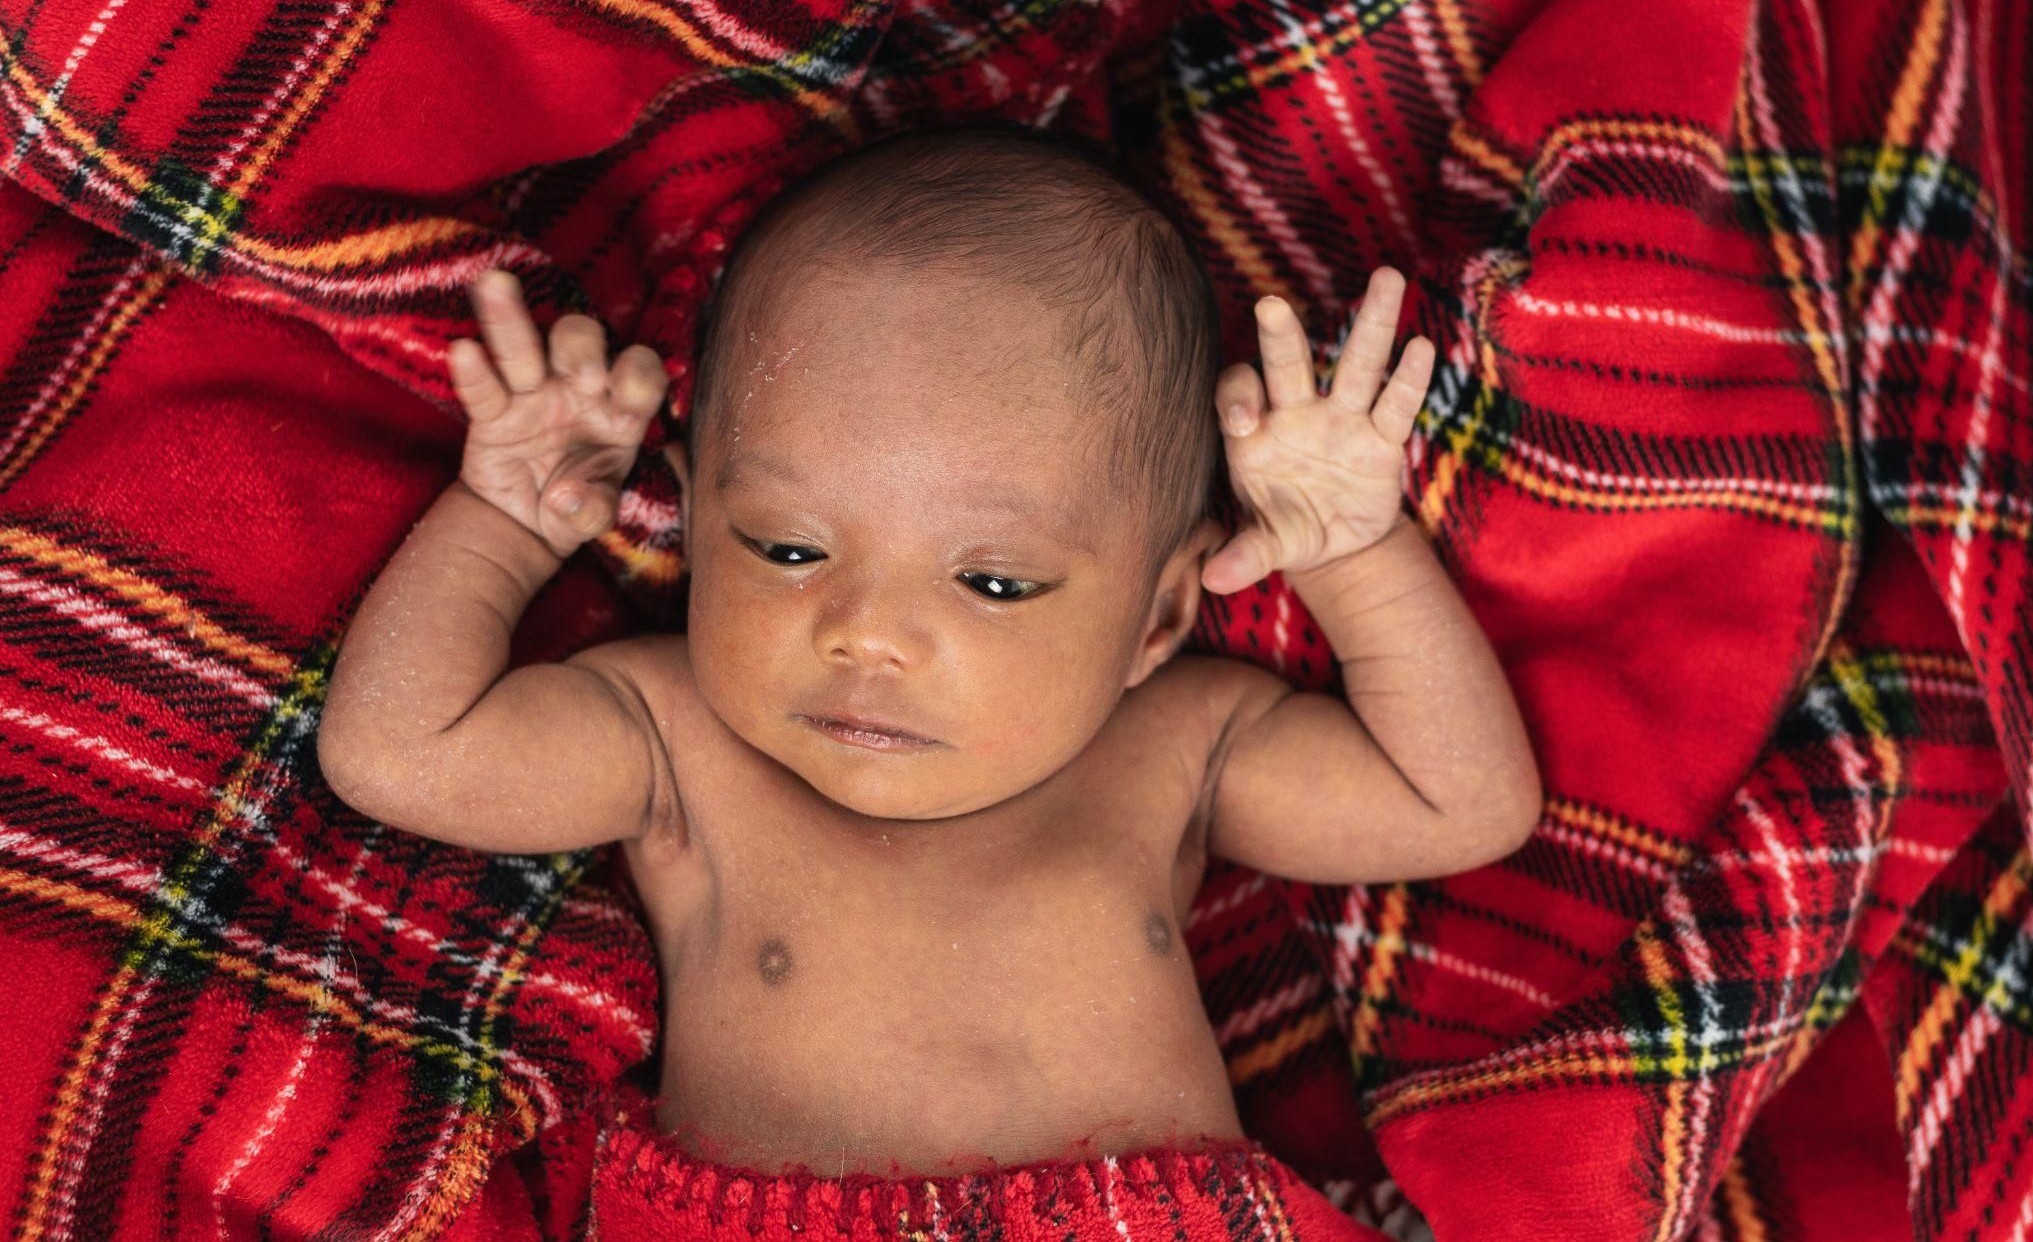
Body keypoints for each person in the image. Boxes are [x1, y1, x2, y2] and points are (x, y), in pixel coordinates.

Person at [317, 125, 1542, 1180]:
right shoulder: (672, 736)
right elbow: (399, 755)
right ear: (691, 523)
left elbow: (1458, 804)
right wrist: (508, 524)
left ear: (1158, 619)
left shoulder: (1173, 745)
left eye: (993, 580)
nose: (866, 632)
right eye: (787, 549)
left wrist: (1344, 555)